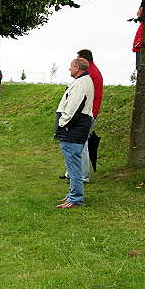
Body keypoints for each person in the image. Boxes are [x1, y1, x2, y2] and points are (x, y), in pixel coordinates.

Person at [55, 58, 95, 209]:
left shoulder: (80, 83)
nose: (69, 69)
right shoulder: (84, 81)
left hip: (73, 128)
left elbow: (73, 106)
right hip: (76, 127)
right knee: (72, 164)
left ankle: (76, 198)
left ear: (77, 67)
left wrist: (62, 123)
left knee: (73, 165)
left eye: (71, 67)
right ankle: (73, 193)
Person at [60, 49, 104, 183]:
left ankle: (83, 176)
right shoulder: (92, 72)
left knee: (81, 144)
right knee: (75, 143)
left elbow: (81, 97)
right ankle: (71, 173)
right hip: (88, 112)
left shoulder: (89, 74)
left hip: (86, 114)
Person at [133, 5, 143, 71]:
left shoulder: (144, 25)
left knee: (140, 68)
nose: (137, 13)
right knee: (138, 68)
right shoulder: (142, 24)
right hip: (138, 48)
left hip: (140, 48)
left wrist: (138, 43)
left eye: (139, 11)